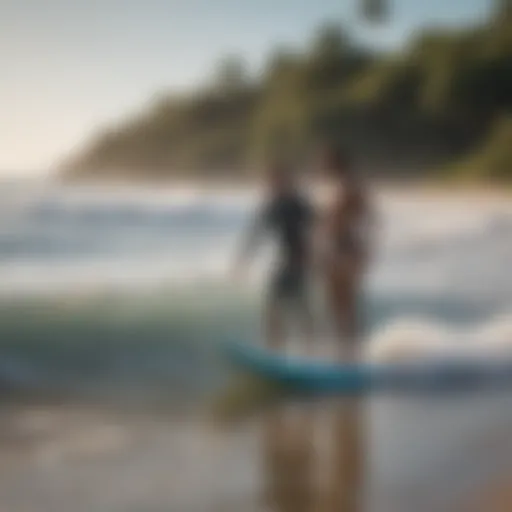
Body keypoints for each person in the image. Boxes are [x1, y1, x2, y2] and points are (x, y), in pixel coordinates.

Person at [233, 162, 315, 351]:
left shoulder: (296, 203)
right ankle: (282, 347)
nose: (272, 184)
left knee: (285, 306)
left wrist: (313, 256)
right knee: (290, 306)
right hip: (290, 260)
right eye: (271, 180)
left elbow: (318, 229)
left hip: (296, 261)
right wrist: (244, 259)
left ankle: (289, 348)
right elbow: (257, 232)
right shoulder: (278, 203)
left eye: (276, 180)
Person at [318, 145, 375, 361]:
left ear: (335, 163)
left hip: (347, 249)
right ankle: (347, 352)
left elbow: (369, 218)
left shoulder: (349, 186)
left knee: (345, 303)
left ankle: (352, 353)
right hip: (338, 250)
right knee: (338, 304)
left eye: (324, 162)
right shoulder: (337, 187)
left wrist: (365, 251)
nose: (320, 166)